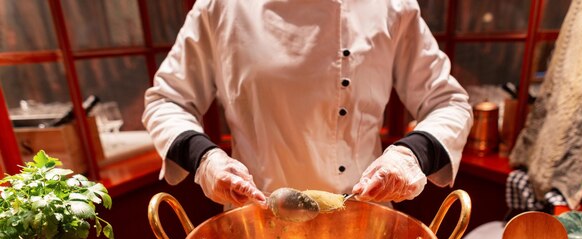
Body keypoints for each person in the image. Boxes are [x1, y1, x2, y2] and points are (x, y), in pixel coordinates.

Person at [142, 0, 472, 209]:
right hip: (256, 217)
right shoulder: (220, 7)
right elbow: (166, 100)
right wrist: (206, 160)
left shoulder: (391, 6)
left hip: (364, 216)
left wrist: (409, 156)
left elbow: (448, 103)